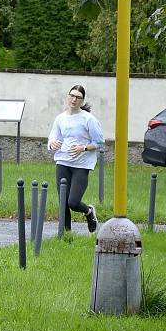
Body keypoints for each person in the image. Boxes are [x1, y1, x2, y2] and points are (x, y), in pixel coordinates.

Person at [48, 84, 105, 233]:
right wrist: (53, 143)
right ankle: (66, 235)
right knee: (63, 203)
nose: (74, 100)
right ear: (68, 97)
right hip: (63, 162)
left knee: (73, 202)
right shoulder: (60, 118)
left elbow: (99, 142)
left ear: (82, 100)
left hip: (82, 165)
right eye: (72, 96)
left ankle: (88, 212)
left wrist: (83, 148)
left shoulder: (89, 119)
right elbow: (52, 138)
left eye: (78, 97)